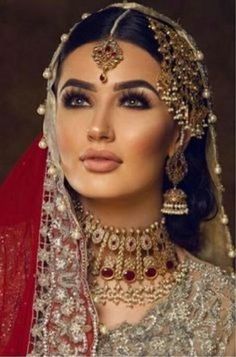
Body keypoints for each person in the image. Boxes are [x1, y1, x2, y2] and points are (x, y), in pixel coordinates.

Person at [0, 2, 235, 356]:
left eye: (133, 102)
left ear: (179, 135)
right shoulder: (9, 274)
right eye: (78, 100)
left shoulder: (221, 311)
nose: (98, 128)